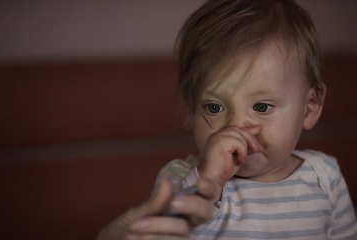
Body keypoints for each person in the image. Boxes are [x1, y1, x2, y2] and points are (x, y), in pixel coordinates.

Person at [97, 0, 357, 239]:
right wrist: (210, 180)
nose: (236, 126)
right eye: (213, 107)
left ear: (309, 108)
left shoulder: (325, 176)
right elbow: (165, 230)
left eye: (261, 106)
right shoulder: (180, 179)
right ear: (192, 110)